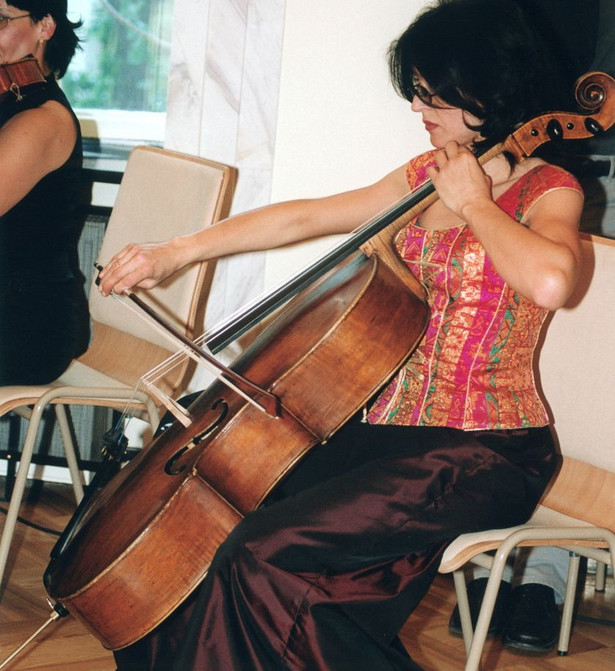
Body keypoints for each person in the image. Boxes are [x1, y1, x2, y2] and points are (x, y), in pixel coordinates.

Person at [99, 1, 584, 668]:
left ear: (487, 88)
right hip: (383, 437)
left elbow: (552, 282)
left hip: (485, 450)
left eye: (431, 93)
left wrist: (474, 202)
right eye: (415, 91)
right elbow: (305, 219)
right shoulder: (423, 175)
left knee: (264, 554)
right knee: (213, 534)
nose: (419, 108)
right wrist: (177, 251)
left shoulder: (547, 189)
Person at [449, 0, 615, 654]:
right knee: (546, 362)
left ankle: (543, 575)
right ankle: (532, 572)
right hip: (562, 165)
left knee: (584, 375)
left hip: (585, 164)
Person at [0, 0, 88, 386]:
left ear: (45, 26)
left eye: (0, 20)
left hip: (26, 326)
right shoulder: (11, 99)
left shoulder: (42, 120)